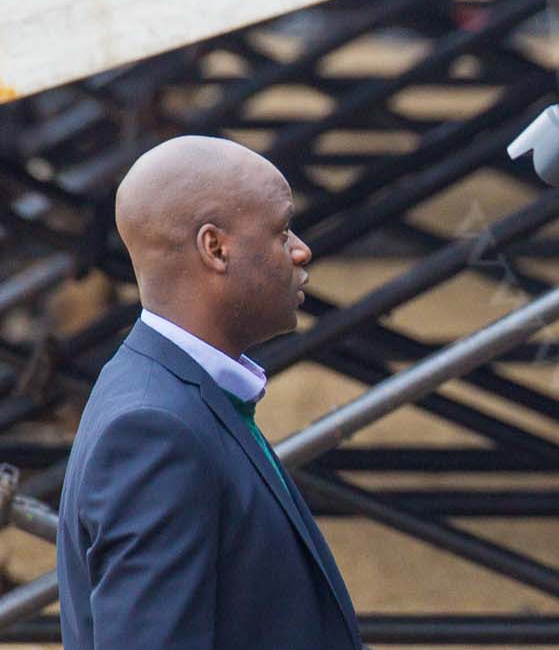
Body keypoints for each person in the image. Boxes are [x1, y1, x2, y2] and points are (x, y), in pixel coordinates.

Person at [57, 135, 362, 649]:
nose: (301, 249)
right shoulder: (154, 432)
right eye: (281, 230)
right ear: (215, 249)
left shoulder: (176, 394)